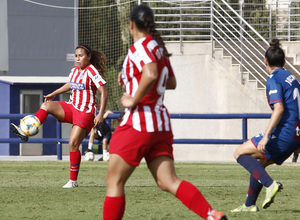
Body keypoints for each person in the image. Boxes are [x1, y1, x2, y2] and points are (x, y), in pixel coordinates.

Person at [102, 5, 227, 220]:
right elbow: (171, 81)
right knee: (168, 181)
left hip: (138, 122)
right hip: (160, 124)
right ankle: (211, 214)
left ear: (131, 25)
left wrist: (133, 97)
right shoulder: (158, 48)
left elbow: (150, 74)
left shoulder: (140, 47)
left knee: (114, 181)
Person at [11, 44, 108, 188]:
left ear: (88, 57)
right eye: (76, 56)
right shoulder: (74, 70)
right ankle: (27, 131)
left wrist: (100, 114)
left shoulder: (91, 70)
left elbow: (104, 92)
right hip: (71, 107)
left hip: (85, 112)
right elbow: (70, 84)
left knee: (73, 143)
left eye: (81, 56)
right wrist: (54, 93)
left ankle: (73, 181)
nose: (77, 58)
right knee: (47, 105)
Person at [231, 39, 300, 213]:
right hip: (296, 134)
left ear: (265, 61)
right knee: (259, 162)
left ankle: (270, 184)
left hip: (285, 132)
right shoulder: (292, 78)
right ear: (284, 62)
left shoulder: (273, 79)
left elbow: (279, 108)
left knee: (240, 152)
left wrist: (266, 136)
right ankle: (249, 205)